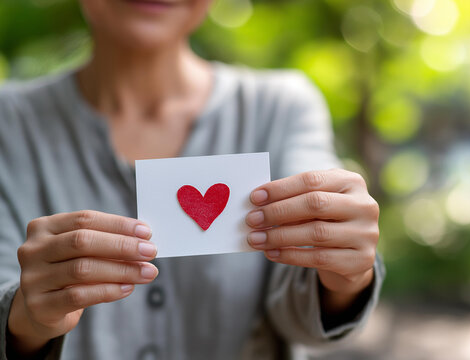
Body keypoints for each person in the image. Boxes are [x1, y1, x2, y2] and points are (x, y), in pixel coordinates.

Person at [0, 1, 383, 359]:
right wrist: (28, 318)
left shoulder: (282, 107)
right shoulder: (8, 123)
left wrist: (346, 271)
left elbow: (304, 311)